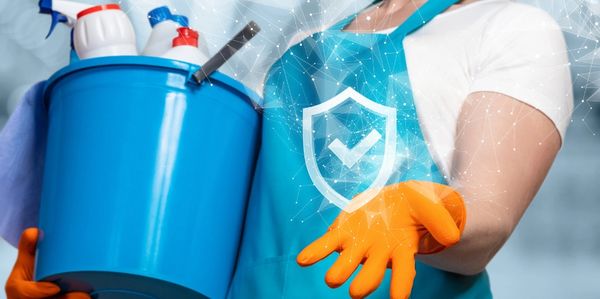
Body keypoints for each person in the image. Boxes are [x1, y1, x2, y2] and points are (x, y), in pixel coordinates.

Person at [5, 0, 573, 298]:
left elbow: (486, 219)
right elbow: (235, 251)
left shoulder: (511, 28)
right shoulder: (299, 51)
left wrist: (425, 217)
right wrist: (100, 276)